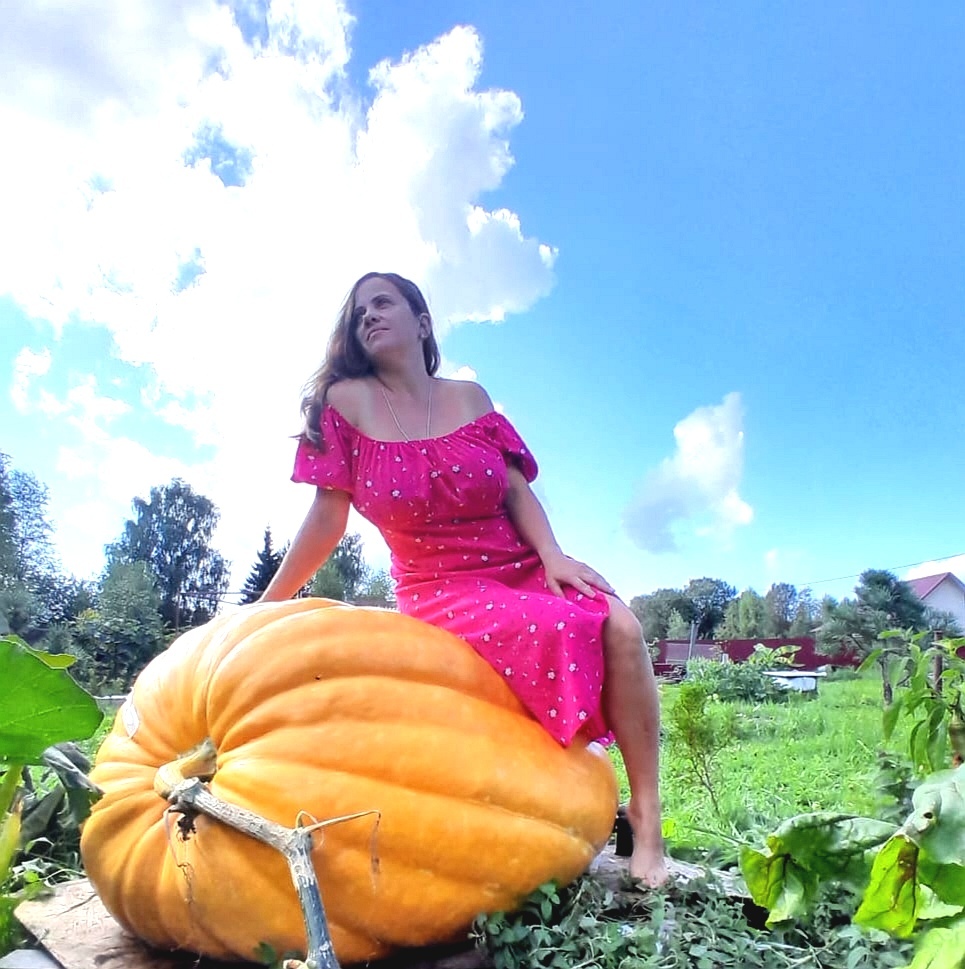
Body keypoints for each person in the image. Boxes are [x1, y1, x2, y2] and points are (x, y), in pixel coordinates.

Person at [260, 271, 669, 887]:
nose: (367, 316)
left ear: (422, 322)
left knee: (620, 622)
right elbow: (327, 516)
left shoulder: (470, 398)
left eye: (382, 303)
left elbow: (513, 488)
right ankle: (557, 799)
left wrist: (554, 557)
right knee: (551, 625)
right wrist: (269, 602)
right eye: (358, 312)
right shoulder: (344, 402)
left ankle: (647, 814)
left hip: (521, 563)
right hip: (437, 587)